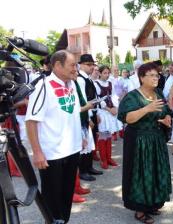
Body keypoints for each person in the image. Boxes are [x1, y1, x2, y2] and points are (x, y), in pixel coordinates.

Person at [25, 50, 90, 223]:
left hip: (72, 149)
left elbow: (72, 114)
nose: (75, 68)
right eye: (72, 65)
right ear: (58, 65)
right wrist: (37, 152)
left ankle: (64, 220)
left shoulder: (71, 85)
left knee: (66, 195)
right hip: (52, 154)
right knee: (52, 200)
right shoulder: (43, 87)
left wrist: (80, 137)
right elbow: (31, 121)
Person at [118, 62, 173, 224]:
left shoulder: (159, 93)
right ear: (142, 78)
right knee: (141, 174)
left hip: (156, 139)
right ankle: (140, 209)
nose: (156, 78)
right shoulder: (133, 96)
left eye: (157, 75)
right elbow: (127, 118)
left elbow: (166, 111)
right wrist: (146, 109)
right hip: (139, 141)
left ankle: (153, 203)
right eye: (152, 75)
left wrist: (165, 119)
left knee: (156, 171)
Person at [77, 54, 103, 182]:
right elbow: (83, 101)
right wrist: (88, 118)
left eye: (92, 64)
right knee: (85, 142)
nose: (91, 67)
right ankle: (83, 170)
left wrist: (96, 113)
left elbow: (93, 98)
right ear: (80, 64)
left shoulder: (88, 79)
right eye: (88, 64)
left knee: (91, 141)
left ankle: (89, 166)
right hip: (84, 114)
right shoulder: (80, 79)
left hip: (91, 112)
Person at [94, 65, 121, 169]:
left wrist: (115, 108)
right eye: (104, 73)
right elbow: (97, 100)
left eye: (107, 73)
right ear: (100, 73)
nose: (106, 75)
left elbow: (114, 96)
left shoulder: (110, 83)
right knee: (102, 136)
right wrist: (109, 109)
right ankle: (103, 160)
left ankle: (109, 158)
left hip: (111, 112)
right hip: (102, 112)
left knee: (109, 135)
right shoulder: (96, 84)